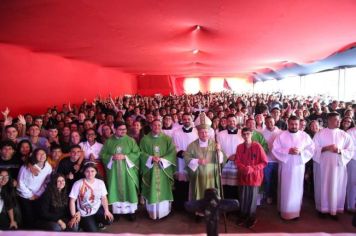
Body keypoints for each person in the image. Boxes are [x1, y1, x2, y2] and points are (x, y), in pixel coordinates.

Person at [272, 116, 315, 220]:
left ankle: (295, 212)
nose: (294, 126)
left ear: (299, 124)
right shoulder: (281, 135)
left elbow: (311, 149)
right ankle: (283, 210)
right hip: (286, 166)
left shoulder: (304, 136)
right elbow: (275, 148)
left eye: (296, 124)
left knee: (297, 189)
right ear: (288, 123)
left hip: (298, 166)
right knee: (285, 187)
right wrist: (287, 151)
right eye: (292, 124)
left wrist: (301, 152)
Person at [313, 112, 354, 219]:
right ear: (330, 120)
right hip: (323, 166)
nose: (339, 122)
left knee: (336, 186)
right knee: (323, 185)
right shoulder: (320, 134)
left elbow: (351, 150)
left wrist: (339, 151)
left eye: (339, 120)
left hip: (338, 167)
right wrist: (325, 148)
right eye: (336, 120)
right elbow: (313, 149)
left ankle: (334, 209)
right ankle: (323, 209)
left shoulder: (344, 135)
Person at [184, 113, 226, 215]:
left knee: (212, 195)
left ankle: (212, 211)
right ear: (198, 133)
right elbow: (187, 158)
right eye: (201, 132)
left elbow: (222, 159)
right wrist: (197, 161)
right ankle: (199, 212)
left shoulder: (215, 144)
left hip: (212, 176)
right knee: (199, 195)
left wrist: (219, 151)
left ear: (209, 133)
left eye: (206, 132)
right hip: (198, 176)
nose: (204, 134)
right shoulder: (192, 145)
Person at [101, 121, 140, 220]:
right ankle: (117, 212)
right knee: (115, 189)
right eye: (121, 129)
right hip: (114, 172)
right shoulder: (109, 141)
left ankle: (131, 212)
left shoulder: (131, 140)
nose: (123, 131)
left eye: (125, 129)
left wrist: (125, 156)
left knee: (129, 189)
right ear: (114, 129)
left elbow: (137, 153)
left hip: (128, 171)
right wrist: (111, 157)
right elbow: (102, 155)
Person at [139, 119, 176, 220]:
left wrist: (162, 160)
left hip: (163, 169)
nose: (157, 127)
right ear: (151, 126)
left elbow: (172, 153)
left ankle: (164, 213)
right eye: (154, 125)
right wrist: (151, 158)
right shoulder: (145, 140)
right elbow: (141, 153)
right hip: (150, 169)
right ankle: (152, 213)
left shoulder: (167, 139)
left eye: (159, 125)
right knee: (151, 189)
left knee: (163, 189)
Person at [235, 127, 267, 228]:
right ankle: (243, 215)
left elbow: (264, 162)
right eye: (244, 134)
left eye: (248, 134)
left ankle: (251, 216)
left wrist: (252, 168)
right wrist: (243, 168)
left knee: (252, 198)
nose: (246, 136)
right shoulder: (239, 147)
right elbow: (237, 161)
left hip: (254, 176)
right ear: (241, 135)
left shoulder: (257, 146)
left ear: (252, 134)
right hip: (243, 175)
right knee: (243, 196)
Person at [68, 163, 113, 232]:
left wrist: (106, 210)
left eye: (92, 171)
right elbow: (72, 201)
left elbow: (104, 197)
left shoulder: (100, 182)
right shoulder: (78, 183)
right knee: (93, 232)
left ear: (96, 172)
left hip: (97, 209)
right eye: (87, 171)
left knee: (109, 220)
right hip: (84, 212)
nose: (90, 173)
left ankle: (96, 222)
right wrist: (74, 216)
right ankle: (84, 223)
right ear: (84, 172)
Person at [17, 148, 52, 229]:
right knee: (28, 217)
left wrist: (38, 194)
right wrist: (30, 195)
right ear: (34, 156)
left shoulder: (48, 167)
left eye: (44, 154)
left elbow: (46, 182)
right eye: (39, 154)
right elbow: (20, 182)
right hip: (25, 195)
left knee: (37, 215)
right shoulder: (25, 167)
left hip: (38, 195)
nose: (42, 155)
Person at [171, 113, 198, 210]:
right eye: (185, 119)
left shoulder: (196, 132)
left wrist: (192, 154)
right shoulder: (176, 132)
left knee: (191, 182)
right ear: (182, 120)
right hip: (181, 160)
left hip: (192, 160)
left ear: (192, 120)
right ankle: (180, 205)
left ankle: (191, 204)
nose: (186, 121)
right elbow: (173, 145)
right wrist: (180, 152)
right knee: (180, 182)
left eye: (188, 119)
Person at [216, 114, 244, 200]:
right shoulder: (220, 134)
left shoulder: (241, 133)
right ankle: (226, 208)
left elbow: (245, 146)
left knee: (238, 185)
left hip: (238, 162)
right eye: (230, 121)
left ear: (236, 122)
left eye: (234, 121)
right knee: (226, 186)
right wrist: (228, 157)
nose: (232, 123)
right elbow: (218, 148)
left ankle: (237, 207)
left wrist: (237, 156)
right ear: (227, 122)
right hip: (225, 162)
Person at [261, 116, 281, 204]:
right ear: (265, 123)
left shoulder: (280, 132)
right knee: (267, 180)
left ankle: (277, 197)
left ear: (274, 122)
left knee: (278, 180)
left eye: (271, 121)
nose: (269, 123)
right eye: (267, 122)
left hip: (278, 160)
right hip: (267, 160)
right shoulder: (262, 133)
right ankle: (268, 196)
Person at [346, 127, 356, 212]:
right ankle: (350, 205)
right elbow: (350, 148)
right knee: (352, 182)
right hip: (353, 159)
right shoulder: (350, 132)